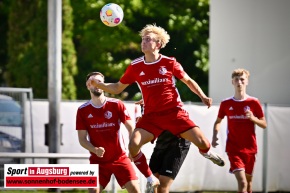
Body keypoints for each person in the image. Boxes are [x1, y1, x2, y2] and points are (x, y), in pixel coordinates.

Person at [87, 24, 225, 193]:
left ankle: (207, 152)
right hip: (152, 117)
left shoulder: (169, 62)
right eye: (142, 39)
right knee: (133, 145)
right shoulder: (135, 66)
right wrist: (99, 84)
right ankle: (150, 178)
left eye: (148, 39)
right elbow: (117, 88)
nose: (143, 42)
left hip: (174, 113)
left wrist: (202, 96)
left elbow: (188, 81)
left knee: (203, 143)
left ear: (158, 44)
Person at [76, 72, 141, 193]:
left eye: (99, 82)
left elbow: (131, 127)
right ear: (87, 85)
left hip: (120, 158)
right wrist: (95, 150)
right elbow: (82, 139)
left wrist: (133, 148)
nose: (96, 85)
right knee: (93, 191)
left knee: (135, 189)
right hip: (97, 161)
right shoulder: (82, 110)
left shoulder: (116, 104)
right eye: (93, 82)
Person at [211, 68, 267, 193]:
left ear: (247, 81)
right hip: (234, 149)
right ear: (232, 82)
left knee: (249, 184)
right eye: (236, 79)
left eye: (242, 79)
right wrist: (215, 136)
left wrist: (253, 118)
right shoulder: (226, 103)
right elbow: (218, 122)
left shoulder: (254, 102)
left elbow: (264, 124)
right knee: (242, 182)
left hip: (250, 149)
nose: (239, 82)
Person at [135, 102, 191, 193]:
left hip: (178, 143)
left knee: (163, 184)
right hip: (162, 142)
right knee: (152, 183)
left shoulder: (169, 101)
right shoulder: (145, 106)